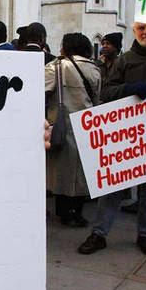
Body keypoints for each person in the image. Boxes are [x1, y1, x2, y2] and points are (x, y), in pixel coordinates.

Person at [78, 22, 146, 256]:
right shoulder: (125, 59)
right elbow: (106, 92)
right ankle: (99, 234)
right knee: (112, 189)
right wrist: (129, 89)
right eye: (140, 28)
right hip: (126, 136)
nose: (145, 32)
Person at [46, 33, 101, 226]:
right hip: (87, 126)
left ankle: (63, 212)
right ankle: (77, 212)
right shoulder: (94, 69)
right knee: (81, 173)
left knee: (61, 171)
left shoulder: (57, 67)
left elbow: (38, 89)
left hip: (63, 125)